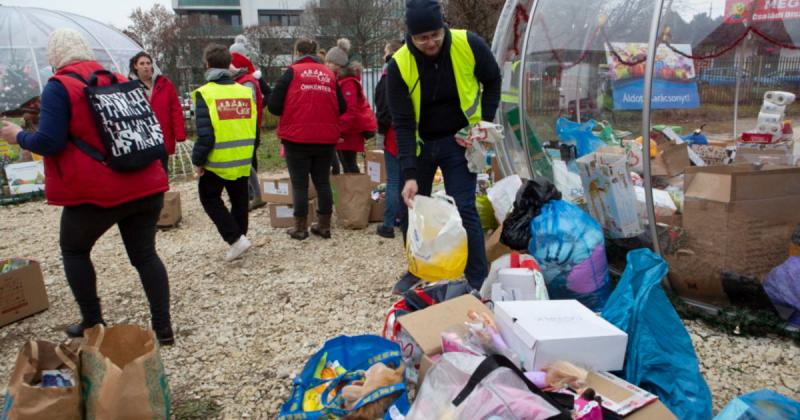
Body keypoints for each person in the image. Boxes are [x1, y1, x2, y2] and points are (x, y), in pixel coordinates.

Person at [0, 28, 173, 344]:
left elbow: (49, 142)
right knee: (145, 255)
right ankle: (163, 328)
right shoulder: (119, 79)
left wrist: (18, 136)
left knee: (75, 249)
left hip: (98, 190)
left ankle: (93, 323)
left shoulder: (59, 86)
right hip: (145, 181)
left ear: (55, 58)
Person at [387, 0, 502, 293]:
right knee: (412, 207)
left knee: (465, 207)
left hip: (459, 142)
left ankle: (477, 276)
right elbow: (401, 122)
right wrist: (409, 173)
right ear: (410, 36)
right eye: (422, 38)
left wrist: (482, 124)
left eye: (435, 34)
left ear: (443, 26)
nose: (430, 42)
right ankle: (417, 270)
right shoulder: (399, 64)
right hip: (422, 144)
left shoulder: (468, 43)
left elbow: (493, 79)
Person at [268, 38, 346, 240]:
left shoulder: (292, 72)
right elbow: (342, 107)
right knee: (322, 182)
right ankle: (324, 226)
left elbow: (274, 106)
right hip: (326, 139)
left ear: (297, 52)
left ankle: (300, 228)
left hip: (297, 138)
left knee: (300, 184)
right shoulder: (329, 75)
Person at [192, 44, 257, 261]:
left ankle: (236, 239)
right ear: (228, 64)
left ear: (207, 64)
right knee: (239, 200)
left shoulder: (205, 93)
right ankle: (240, 239)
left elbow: (205, 134)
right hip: (242, 157)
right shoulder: (245, 91)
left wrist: (198, 160)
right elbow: (254, 126)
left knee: (208, 197)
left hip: (217, 160)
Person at [128, 51, 186, 174]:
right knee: (146, 172)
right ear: (135, 66)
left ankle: (163, 192)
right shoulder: (128, 87)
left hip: (163, 136)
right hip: (142, 138)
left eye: (148, 63)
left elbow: (175, 110)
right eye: (142, 63)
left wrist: (180, 135)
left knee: (163, 170)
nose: (146, 66)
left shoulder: (165, 84)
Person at [374, 40, 404, 239]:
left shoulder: (388, 74)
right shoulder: (409, 70)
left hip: (394, 133)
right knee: (407, 178)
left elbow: (383, 108)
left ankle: (388, 224)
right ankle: (405, 219)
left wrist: (382, 129)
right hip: (410, 131)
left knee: (393, 180)